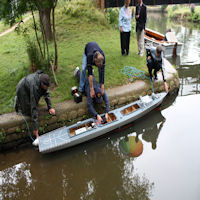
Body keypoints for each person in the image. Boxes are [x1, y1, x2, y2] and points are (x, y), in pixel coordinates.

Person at [14, 70, 55, 146]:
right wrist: (35, 129)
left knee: (34, 102)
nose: (47, 88)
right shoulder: (35, 87)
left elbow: (46, 94)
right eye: (46, 86)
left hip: (28, 86)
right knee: (27, 112)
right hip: (22, 89)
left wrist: (50, 107)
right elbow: (34, 108)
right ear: (42, 84)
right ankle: (17, 102)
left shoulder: (43, 80)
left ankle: (20, 101)